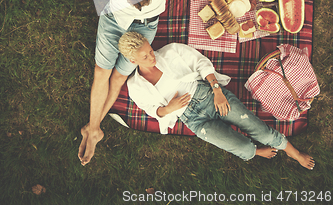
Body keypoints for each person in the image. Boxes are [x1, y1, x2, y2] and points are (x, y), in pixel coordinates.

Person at [118, 32, 315, 169]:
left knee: (258, 129)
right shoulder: (135, 86)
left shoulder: (170, 51)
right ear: (133, 61)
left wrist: (217, 90)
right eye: (145, 57)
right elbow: (152, 110)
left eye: (150, 50)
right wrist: (168, 109)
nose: (152, 56)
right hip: (193, 119)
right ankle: (256, 151)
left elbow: (201, 63)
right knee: (242, 148)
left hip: (207, 96)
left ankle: (293, 152)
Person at [76, 0, 197, 166]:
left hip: (145, 26)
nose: (140, 5)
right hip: (114, 21)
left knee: (119, 77)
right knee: (101, 73)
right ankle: (93, 130)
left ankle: (93, 129)